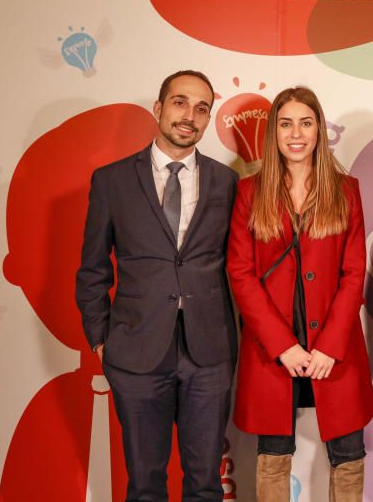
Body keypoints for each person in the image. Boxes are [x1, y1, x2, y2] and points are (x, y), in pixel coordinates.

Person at [75, 70, 239, 501]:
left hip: (209, 353)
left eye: (202, 108)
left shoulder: (227, 182)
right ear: (159, 108)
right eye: (181, 102)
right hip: (136, 352)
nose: (190, 115)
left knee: (205, 483)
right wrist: (100, 339)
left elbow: (238, 265)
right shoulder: (111, 181)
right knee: (145, 485)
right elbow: (92, 269)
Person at [227, 86, 373, 502]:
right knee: (273, 454)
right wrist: (283, 347)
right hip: (273, 350)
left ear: (319, 130)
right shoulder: (248, 193)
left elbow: (353, 272)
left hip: (335, 347)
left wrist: (330, 345)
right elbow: (240, 274)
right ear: (273, 132)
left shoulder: (346, 190)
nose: (296, 133)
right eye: (286, 123)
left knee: (348, 454)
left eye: (306, 123)